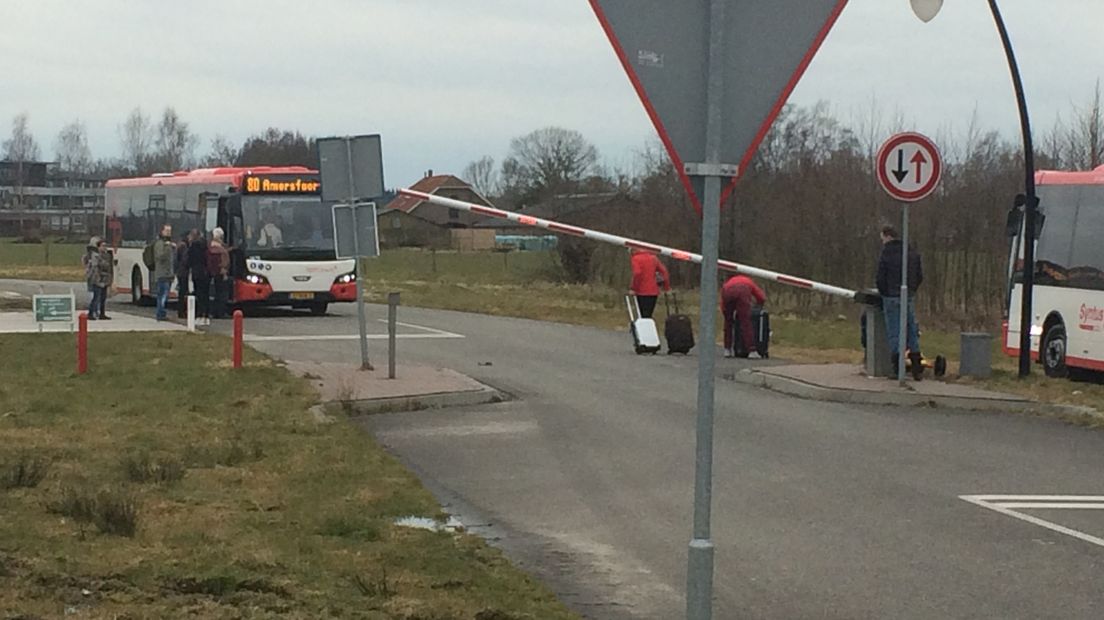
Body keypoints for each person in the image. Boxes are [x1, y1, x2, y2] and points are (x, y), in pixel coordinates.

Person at [876, 225, 924, 380]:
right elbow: (919, 275)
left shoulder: (887, 253)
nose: (882, 241)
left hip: (891, 296)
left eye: (882, 238)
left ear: (887, 236)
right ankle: (917, 366)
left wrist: (884, 292)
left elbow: (881, 277)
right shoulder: (911, 252)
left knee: (894, 332)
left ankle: (898, 368)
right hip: (908, 296)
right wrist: (911, 291)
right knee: (911, 330)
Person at [721, 274, 767, 358]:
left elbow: (723, 302)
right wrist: (759, 304)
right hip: (742, 291)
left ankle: (727, 349)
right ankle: (751, 350)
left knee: (728, 323)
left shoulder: (728, 282)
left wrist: (725, 312)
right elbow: (761, 297)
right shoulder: (749, 282)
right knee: (745, 322)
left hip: (727, 291)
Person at [629, 248, 670, 319]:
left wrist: (633, 288)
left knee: (641, 315)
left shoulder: (636, 259)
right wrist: (666, 287)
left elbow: (637, 273)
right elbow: (664, 272)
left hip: (641, 291)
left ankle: (642, 329)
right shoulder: (653, 258)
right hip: (654, 291)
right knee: (648, 315)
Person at [152, 224, 175, 321]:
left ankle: (162, 313)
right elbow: (159, 257)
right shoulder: (160, 244)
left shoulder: (168, 243)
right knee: (162, 295)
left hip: (168, 274)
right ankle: (160, 314)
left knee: (165, 295)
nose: (168, 233)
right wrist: (167, 247)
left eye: (170, 231)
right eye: (166, 231)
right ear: (162, 231)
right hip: (162, 274)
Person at [207, 227, 231, 319]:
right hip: (221, 273)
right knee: (222, 294)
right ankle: (221, 312)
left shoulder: (210, 247)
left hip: (212, 273)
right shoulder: (221, 250)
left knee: (215, 294)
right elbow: (225, 262)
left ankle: (214, 312)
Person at [87, 237, 113, 320]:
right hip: (97, 280)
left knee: (103, 298)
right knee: (96, 297)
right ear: (98, 247)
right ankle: (91, 313)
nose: (104, 247)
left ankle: (102, 313)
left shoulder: (107, 255)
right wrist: (97, 280)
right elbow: (96, 268)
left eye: (105, 246)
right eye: (102, 246)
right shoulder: (96, 256)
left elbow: (109, 268)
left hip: (105, 279)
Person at [188, 229, 210, 325]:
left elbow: (190, 260)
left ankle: (199, 315)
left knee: (199, 295)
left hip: (197, 273)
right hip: (206, 273)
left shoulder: (193, 246)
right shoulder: (205, 245)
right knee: (205, 295)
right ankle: (206, 316)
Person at [175, 231, 191, 319]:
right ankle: (182, 311)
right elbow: (185, 260)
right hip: (184, 271)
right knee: (183, 292)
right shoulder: (184, 246)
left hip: (179, 271)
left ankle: (180, 311)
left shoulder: (179, 245)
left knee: (181, 291)